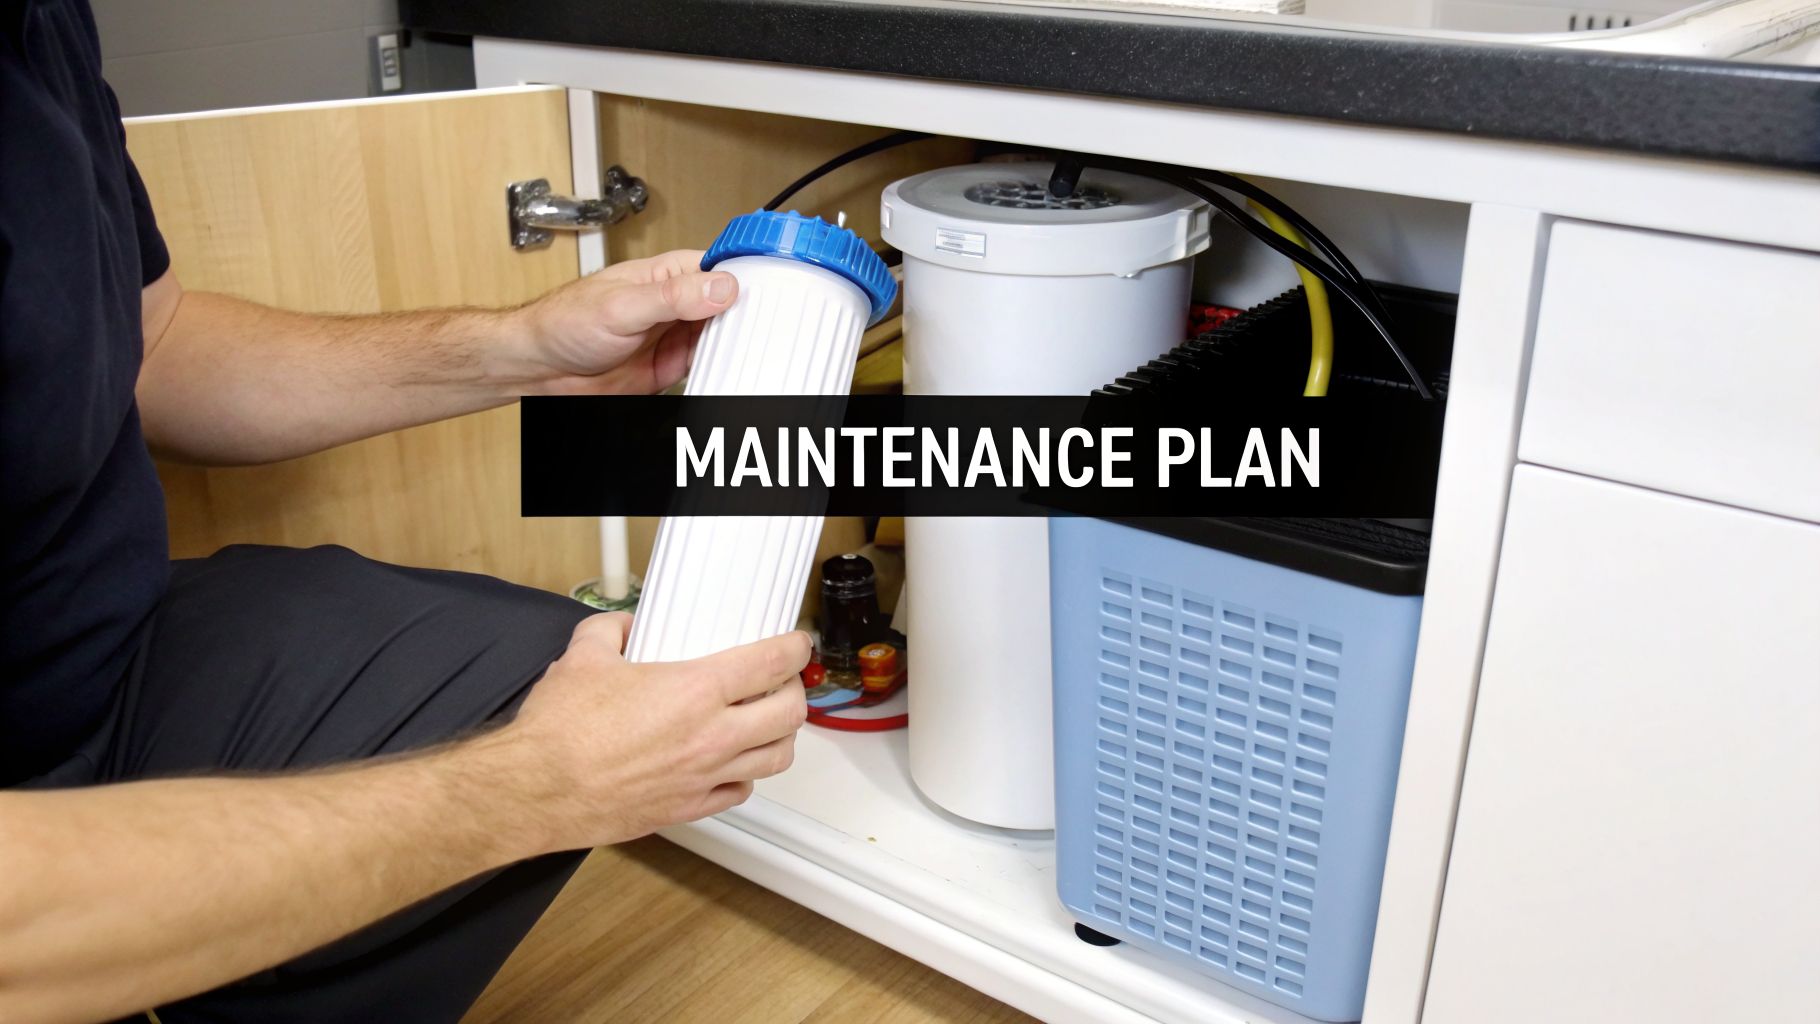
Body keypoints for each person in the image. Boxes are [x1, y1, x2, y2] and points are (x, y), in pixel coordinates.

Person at [0, 2, 812, 1021]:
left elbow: (148, 344)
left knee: (560, 672)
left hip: (93, 657)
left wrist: (521, 351)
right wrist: (537, 785)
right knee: (561, 751)